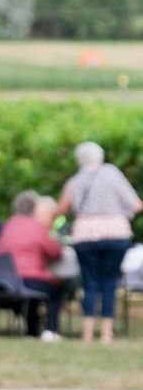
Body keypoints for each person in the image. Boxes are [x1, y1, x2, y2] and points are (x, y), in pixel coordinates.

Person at [56, 141, 142, 343]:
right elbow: (136, 204)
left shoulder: (75, 180)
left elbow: (62, 208)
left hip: (85, 235)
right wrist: (119, 214)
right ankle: (106, 333)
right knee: (110, 282)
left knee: (89, 282)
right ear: (100, 157)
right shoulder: (112, 173)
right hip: (116, 233)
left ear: (79, 160)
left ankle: (87, 332)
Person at [0, 191, 64, 340]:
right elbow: (54, 252)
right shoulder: (36, 227)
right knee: (56, 289)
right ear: (34, 208)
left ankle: (32, 330)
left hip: (8, 280)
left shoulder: (8, 225)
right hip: (30, 278)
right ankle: (51, 330)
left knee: (31, 296)